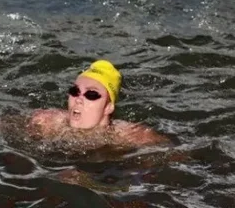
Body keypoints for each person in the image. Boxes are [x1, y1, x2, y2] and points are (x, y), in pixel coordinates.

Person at [27, 60, 168, 148]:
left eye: (91, 94)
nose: (79, 99)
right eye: (75, 91)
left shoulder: (130, 136)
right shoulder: (45, 121)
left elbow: (173, 154)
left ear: (108, 107)